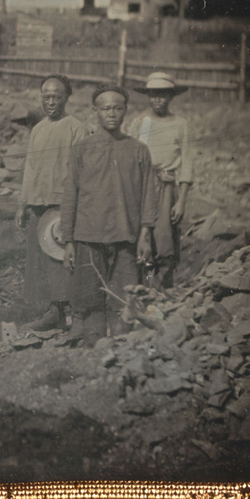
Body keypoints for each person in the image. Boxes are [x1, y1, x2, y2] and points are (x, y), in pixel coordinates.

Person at [58, 84, 157, 343]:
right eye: (105, 108)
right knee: (90, 298)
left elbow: (149, 194)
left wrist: (145, 234)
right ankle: (94, 351)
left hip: (126, 236)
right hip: (89, 237)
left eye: (117, 108)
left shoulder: (138, 150)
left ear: (125, 111)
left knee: (124, 297)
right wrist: (69, 241)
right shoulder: (82, 149)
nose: (111, 113)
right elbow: (70, 196)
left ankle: (121, 352)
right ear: (95, 111)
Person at [15, 74, 92, 331]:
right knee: (39, 258)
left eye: (56, 97)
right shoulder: (37, 129)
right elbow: (30, 167)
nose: (50, 102)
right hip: (38, 202)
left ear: (66, 98)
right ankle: (52, 312)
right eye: (46, 97)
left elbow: (82, 173)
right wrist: (22, 204)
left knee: (61, 258)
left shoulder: (76, 128)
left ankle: (71, 313)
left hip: (61, 206)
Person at [126, 71, 193, 287]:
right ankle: (143, 288)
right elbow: (130, 155)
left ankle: (163, 290)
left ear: (171, 97)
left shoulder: (181, 124)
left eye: (162, 95)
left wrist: (181, 200)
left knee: (163, 239)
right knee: (140, 235)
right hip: (142, 187)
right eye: (153, 95)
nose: (157, 99)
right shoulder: (140, 122)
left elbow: (187, 162)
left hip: (165, 189)